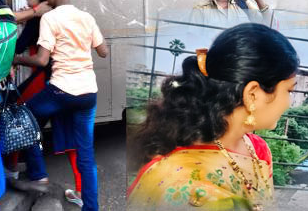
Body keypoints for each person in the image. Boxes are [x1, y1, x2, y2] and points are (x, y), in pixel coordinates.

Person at [127, 23, 299, 210]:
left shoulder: (258, 149)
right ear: (252, 94)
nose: (288, 103)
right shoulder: (183, 186)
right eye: (289, 90)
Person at [13, 0, 108, 211]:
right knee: (86, 156)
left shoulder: (50, 18)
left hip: (61, 90)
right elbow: (103, 51)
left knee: (25, 116)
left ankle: (38, 173)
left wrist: (16, 60)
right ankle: (91, 208)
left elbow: (42, 61)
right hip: (88, 93)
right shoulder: (86, 17)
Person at [6, 0, 83, 207]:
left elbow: (21, 48)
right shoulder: (66, 16)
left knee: (21, 122)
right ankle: (81, 189)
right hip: (70, 83)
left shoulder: (40, 19)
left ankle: (19, 172)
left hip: (47, 81)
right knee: (69, 139)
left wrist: (15, 59)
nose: (27, 1)